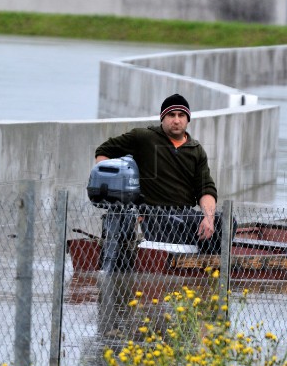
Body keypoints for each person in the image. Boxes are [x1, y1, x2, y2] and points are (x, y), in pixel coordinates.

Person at [94, 93, 229, 253]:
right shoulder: (144, 138)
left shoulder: (196, 150)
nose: (176, 120)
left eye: (181, 115)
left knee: (227, 221)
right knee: (176, 226)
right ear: (162, 117)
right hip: (155, 216)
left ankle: (205, 263)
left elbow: (205, 188)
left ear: (188, 119)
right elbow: (104, 150)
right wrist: (114, 185)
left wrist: (209, 218)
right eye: (171, 115)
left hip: (185, 215)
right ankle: (196, 257)